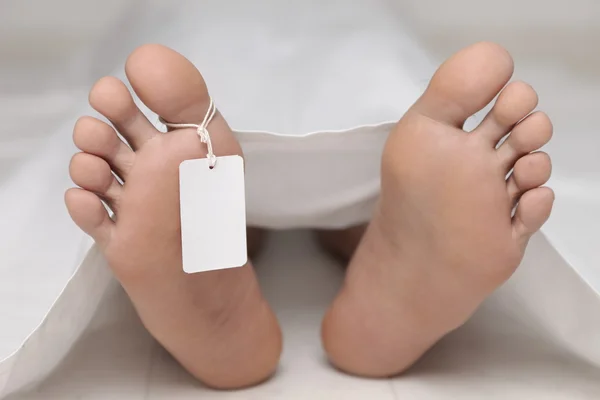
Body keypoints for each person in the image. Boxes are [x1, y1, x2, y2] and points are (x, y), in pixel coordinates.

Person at [65, 41, 553, 389]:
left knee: (206, 197)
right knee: (359, 184)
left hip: (208, 145)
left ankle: (238, 250)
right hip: (362, 155)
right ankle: (368, 241)